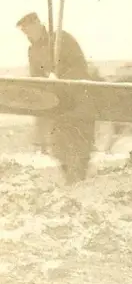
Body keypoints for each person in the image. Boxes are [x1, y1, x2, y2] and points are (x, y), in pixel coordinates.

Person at [16, 12, 95, 180]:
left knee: (80, 144)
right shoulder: (33, 51)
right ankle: (71, 182)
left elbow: (80, 66)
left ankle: (80, 181)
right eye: (24, 32)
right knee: (60, 147)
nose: (27, 35)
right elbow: (36, 79)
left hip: (77, 100)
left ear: (37, 24)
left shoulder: (62, 39)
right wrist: (44, 84)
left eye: (28, 30)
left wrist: (61, 78)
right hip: (57, 105)